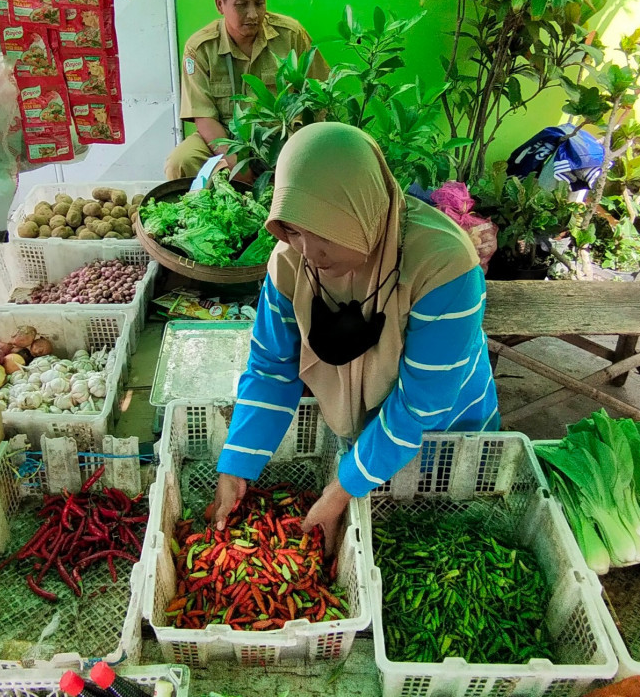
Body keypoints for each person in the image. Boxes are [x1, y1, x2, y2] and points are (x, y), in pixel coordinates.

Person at [211, 122, 501, 544]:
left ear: (363, 211)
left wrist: (342, 487)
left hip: (444, 432)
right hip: (362, 435)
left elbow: (422, 405)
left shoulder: (443, 267)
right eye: (292, 228)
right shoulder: (291, 261)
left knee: (439, 531)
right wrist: (236, 464)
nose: (309, 252)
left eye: (324, 231)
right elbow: (272, 368)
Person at [164, 0, 328, 180]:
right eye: (241, 5)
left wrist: (299, 139)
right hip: (225, 137)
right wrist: (235, 163)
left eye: (260, 3)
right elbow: (204, 117)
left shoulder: (291, 35)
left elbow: (318, 94)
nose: (253, 14)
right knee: (182, 161)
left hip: (280, 135)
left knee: (315, 160)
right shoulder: (201, 48)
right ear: (220, 4)